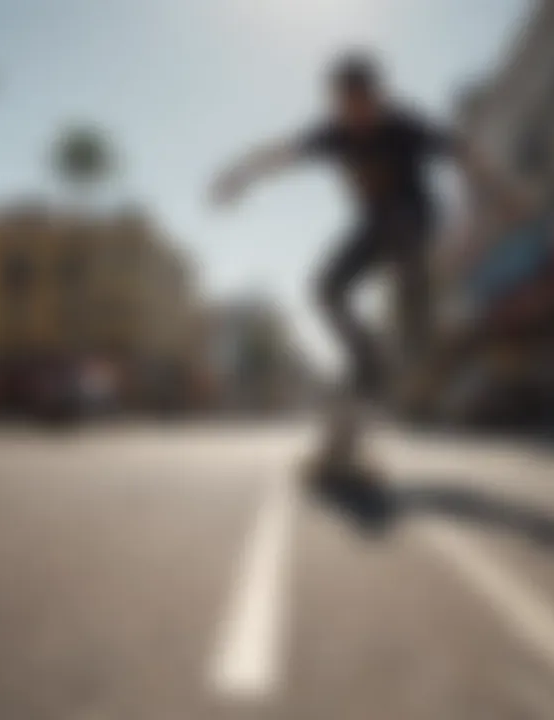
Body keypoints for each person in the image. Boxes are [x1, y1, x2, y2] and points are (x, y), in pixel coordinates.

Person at [210, 53, 525, 468]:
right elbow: (282, 154)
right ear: (336, 104)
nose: (356, 117)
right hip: (371, 227)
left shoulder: (406, 126)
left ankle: (416, 312)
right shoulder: (333, 134)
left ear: (378, 97)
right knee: (324, 289)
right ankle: (365, 367)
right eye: (346, 108)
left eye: (363, 105)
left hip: (414, 218)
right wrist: (238, 175)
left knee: (398, 223)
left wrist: (502, 192)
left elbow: (464, 154)